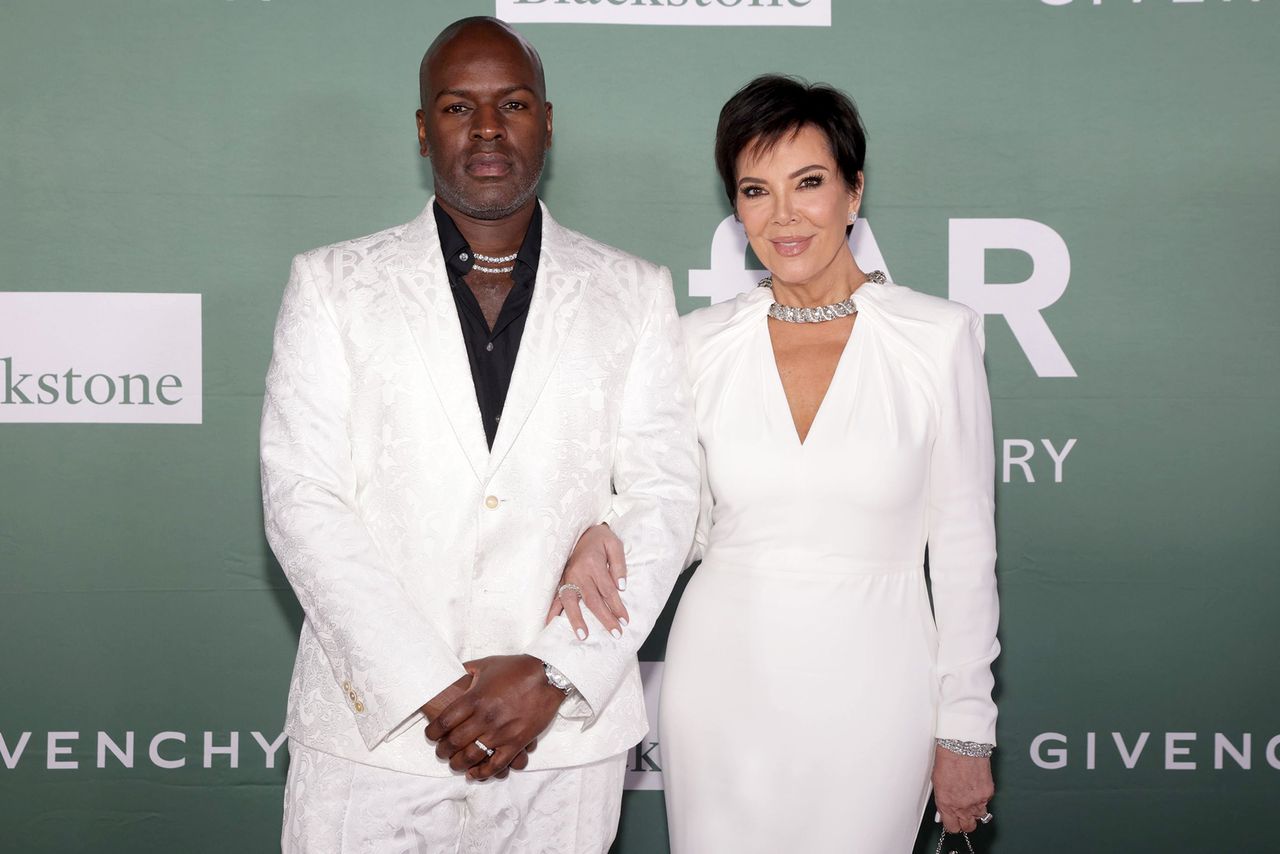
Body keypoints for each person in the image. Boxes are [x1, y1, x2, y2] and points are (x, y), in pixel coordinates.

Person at [259, 16, 699, 853]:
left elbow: (666, 494)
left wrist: (552, 674)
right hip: (375, 742)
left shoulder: (633, 291)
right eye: (460, 107)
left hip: (562, 741)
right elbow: (300, 499)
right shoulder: (332, 284)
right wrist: (431, 687)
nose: (489, 128)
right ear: (424, 130)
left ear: (548, 121)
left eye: (514, 103)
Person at [551, 75, 1000, 852]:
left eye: (810, 183)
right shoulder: (696, 343)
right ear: (736, 210)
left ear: (855, 192)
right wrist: (603, 530)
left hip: (879, 683)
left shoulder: (939, 337)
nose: (784, 215)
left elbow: (964, 550)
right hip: (723, 679)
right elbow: (675, 517)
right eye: (756, 191)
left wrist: (966, 729)